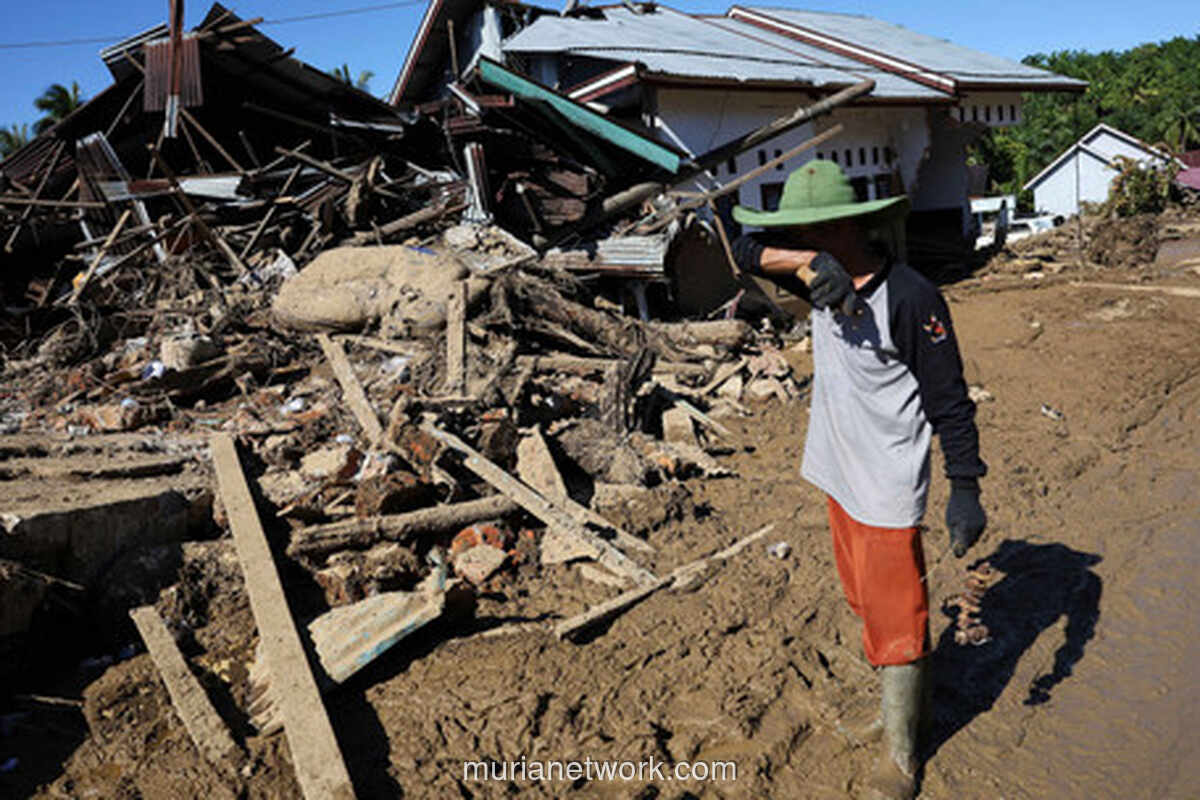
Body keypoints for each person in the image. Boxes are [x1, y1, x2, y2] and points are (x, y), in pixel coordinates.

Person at [730, 161, 987, 800]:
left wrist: (966, 486)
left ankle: (902, 757)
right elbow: (739, 248)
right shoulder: (816, 272)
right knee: (866, 602)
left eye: (804, 233)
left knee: (898, 613)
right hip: (837, 471)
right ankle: (905, 707)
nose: (791, 241)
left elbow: (950, 399)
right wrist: (804, 266)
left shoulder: (911, 297)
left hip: (887, 484)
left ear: (841, 225)